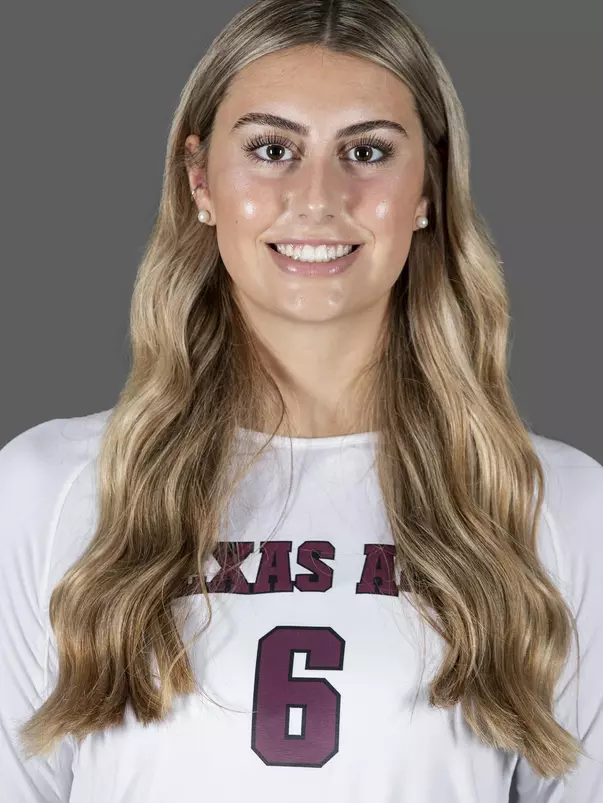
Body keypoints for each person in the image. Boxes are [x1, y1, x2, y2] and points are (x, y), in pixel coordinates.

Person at [1, 0, 602, 800]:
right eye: (272, 148)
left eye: (366, 150)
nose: (317, 196)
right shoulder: (51, 490)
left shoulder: (555, 506)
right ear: (200, 179)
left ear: (428, 187)